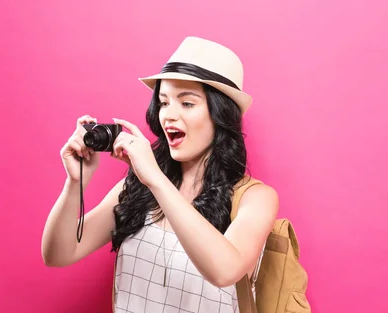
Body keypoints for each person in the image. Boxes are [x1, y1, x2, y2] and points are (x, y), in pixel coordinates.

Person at [41, 37, 279, 313]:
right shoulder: (137, 187)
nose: (169, 115)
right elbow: (58, 253)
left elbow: (225, 271)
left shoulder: (254, 198)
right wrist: (75, 182)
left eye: (187, 104)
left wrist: (155, 177)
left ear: (220, 115)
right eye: (164, 103)